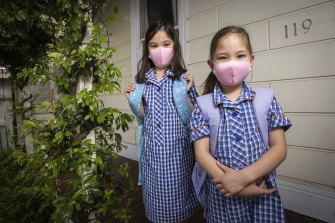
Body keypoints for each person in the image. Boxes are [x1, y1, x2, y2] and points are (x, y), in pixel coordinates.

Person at [190, 26, 292, 222]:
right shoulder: (202, 105)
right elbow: (201, 153)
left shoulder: (267, 98)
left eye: (240, 55)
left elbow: (279, 148)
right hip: (222, 198)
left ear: (250, 60)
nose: (232, 63)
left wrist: (242, 179)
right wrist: (233, 186)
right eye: (223, 57)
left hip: (261, 193)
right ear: (212, 64)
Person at [124, 20, 199, 222]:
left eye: (166, 44)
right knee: (156, 202)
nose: (160, 50)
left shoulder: (183, 79)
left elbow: (196, 116)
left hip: (179, 154)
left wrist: (189, 92)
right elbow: (143, 117)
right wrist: (132, 100)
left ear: (175, 46)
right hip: (152, 153)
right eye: (154, 45)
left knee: (180, 199)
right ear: (147, 50)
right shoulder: (142, 81)